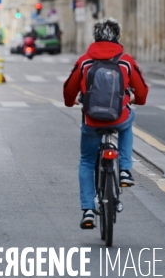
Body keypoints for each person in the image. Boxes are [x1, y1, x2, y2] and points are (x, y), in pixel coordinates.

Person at [63, 18, 149, 230]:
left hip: (92, 120)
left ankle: (88, 210)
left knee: (86, 161)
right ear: (117, 36)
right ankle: (125, 170)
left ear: (95, 37)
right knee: (128, 121)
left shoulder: (85, 61)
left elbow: (68, 90)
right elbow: (142, 92)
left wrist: (71, 102)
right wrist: (136, 100)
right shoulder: (126, 61)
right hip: (118, 117)